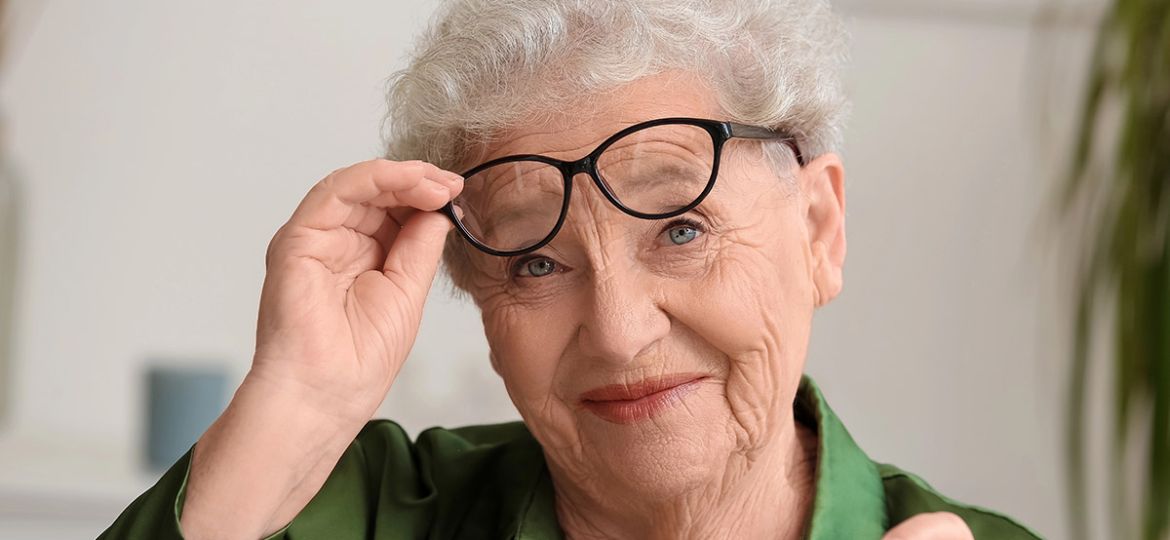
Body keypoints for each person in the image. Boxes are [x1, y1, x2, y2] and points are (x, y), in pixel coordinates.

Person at [100, 1, 1042, 538]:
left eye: (680, 229)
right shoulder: (360, 515)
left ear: (818, 230)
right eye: (540, 258)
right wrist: (298, 402)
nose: (621, 329)